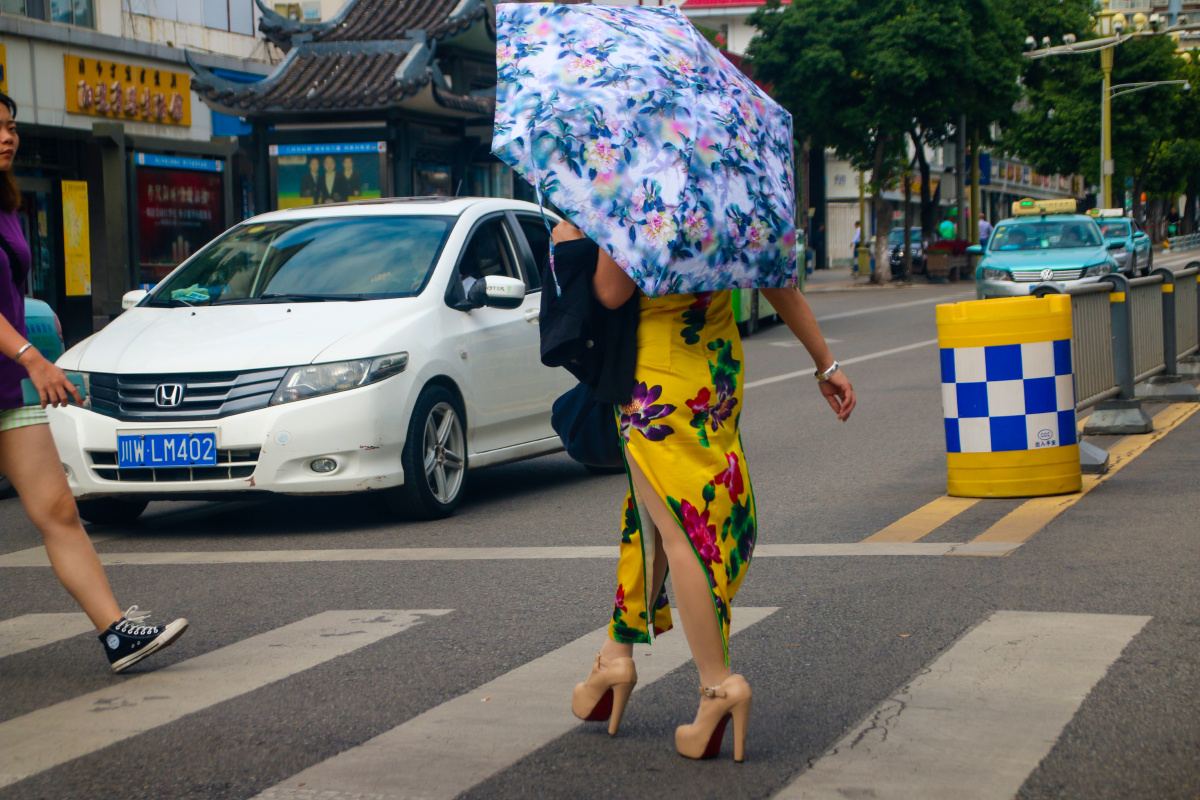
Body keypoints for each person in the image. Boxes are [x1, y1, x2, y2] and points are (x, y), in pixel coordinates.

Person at [555, 219, 855, 762]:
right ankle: (615, 656)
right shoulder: (727, 188)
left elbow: (610, 290)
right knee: (647, 514)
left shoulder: (642, 193)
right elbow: (776, 279)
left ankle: (718, 687)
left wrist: (588, 231)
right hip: (715, 367)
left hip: (657, 376)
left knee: (680, 530)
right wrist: (824, 364)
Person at [0, 92, 188, 673]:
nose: (7, 137)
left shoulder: (6, 204)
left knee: (58, 508)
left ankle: (116, 634)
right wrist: (35, 358)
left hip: (8, 386)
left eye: (11, 127)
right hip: (19, 366)